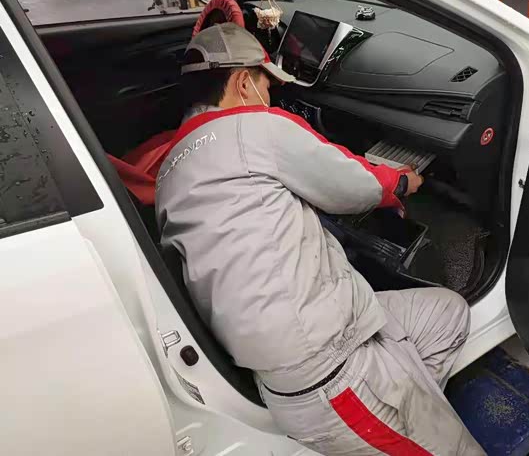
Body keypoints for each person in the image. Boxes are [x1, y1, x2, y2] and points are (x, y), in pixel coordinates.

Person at [156, 23, 485, 455]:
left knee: (447, 313)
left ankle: (405, 411)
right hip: (331, 373)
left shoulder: (169, 171)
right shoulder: (255, 127)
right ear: (242, 83)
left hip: (324, 333)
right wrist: (403, 182)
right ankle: (399, 412)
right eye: (266, 84)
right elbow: (355, 187)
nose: (271, 96)